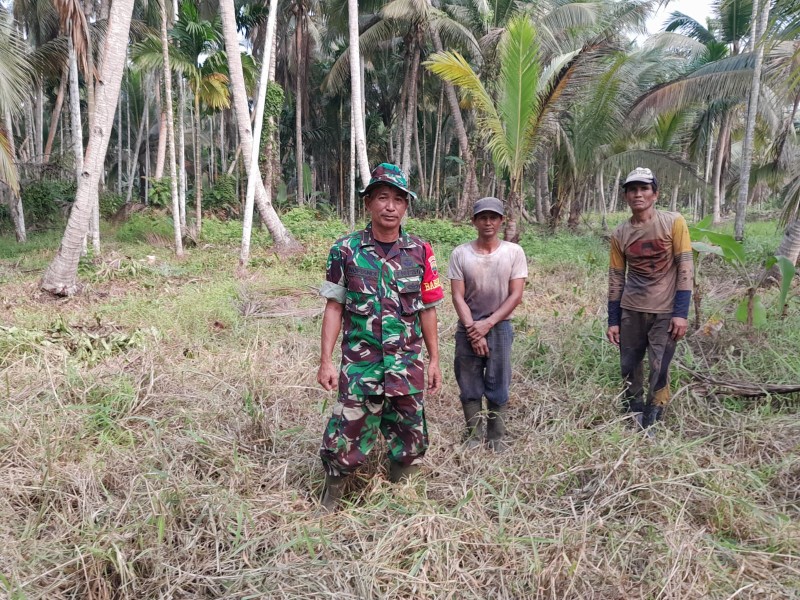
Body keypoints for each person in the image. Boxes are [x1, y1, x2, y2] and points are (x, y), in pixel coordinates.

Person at [316, 163, 444, 511]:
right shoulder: (345, 250)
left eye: (399, 200)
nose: (391, 206)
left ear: (406, 206)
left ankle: (404, 498)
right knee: (345, 434)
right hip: (361, 366)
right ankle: (331, 499)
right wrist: (326, 361)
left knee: (410, 435)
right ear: (369, 203)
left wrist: (434, 360)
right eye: (383, 198)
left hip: (406, 365)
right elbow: (334, 307)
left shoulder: (420, 251)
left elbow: (427, 309)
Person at [606, 167, 693, 430]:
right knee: (629, 365)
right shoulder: (620, 233)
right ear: (626, 197)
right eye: (632, 190)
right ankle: (632, 414)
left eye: (644, 189)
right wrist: (613, 320)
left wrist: (681, 314)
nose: (638, 194)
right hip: (631, 309)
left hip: (665, 310)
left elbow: (685, 267)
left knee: (659, 366)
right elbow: (616, 277)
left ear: (655, 194)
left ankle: (653, 418)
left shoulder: (673, 222)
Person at [448, 197, 528, 452]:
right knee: (468, 383)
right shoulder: (460, 253)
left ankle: (496, 438)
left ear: (501, 221)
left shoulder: (513, 252)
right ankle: (473, 437)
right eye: (482, 217)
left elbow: (516, 295)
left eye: (493, 217)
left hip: (500, 328)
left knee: (498, 382)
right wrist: (474, 330)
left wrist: (488, 324)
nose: (488, 222)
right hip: (468, 327)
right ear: (474, 221)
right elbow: (457, 296)